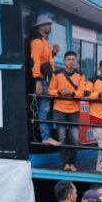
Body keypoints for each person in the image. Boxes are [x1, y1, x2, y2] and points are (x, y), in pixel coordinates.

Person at [48, 51, 86, 171]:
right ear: (64, 61)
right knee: (62, 137)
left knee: (74, 138)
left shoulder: (80, 74)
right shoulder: (57, 74)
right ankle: (65, 163)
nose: (71, 61)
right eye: (68, 59)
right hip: (59, 109)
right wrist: (59, 93)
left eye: (73, 59)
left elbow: (82, 93)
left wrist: (72, 93)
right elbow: (50, 91)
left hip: (74, 110)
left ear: (76, 61)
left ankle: (73, 163)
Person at [29, 14, 61, 146]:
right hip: (42, 79)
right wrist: (37, 80)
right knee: (44, 109)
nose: (50, 26)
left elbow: (45, 59)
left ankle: (46, 136)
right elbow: (34, 61)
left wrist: (53, 54)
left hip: (46, 79)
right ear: (41, 26)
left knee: (46, 108)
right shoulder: (37, 40)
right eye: (48, 24)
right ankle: (45, 136)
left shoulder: (44, 40)